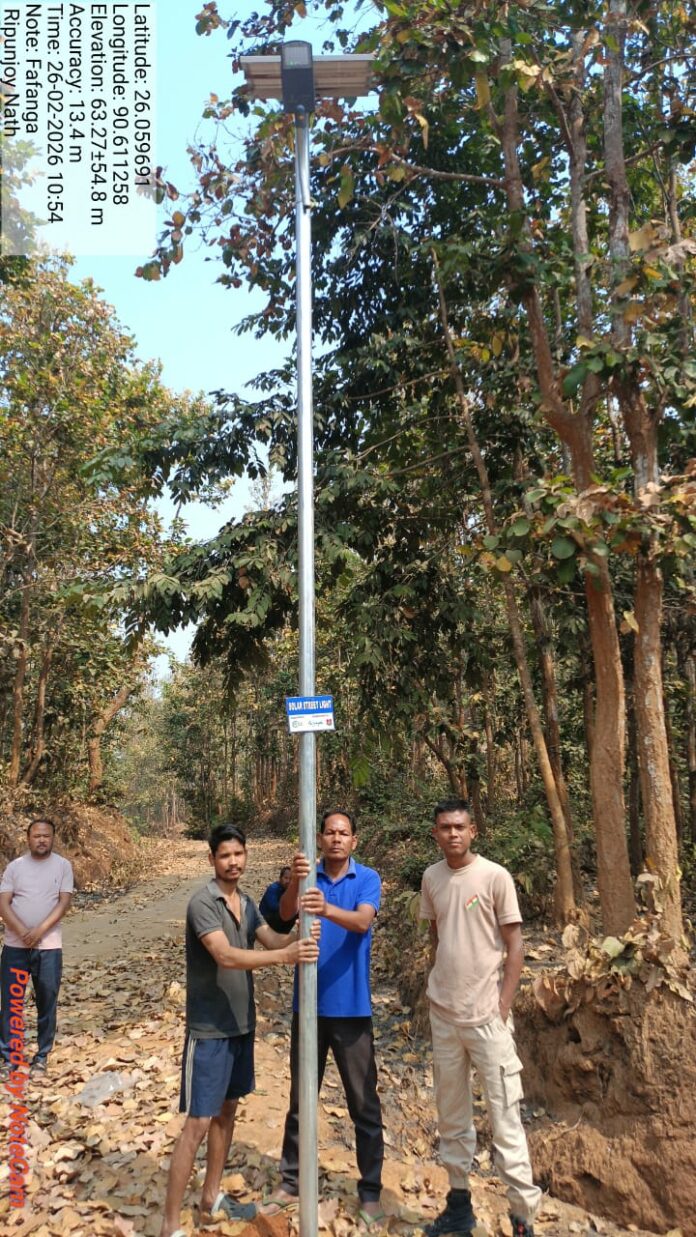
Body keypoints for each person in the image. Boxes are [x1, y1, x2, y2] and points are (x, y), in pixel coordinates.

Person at [160, 823, 319, 1237]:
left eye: (238, 854)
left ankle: (211, 1196)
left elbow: (273, 939)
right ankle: (169, 1224)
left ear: (246, 856)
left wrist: (301, 929)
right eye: (225, 855)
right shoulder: (203, 903)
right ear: (212, 859)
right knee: (197, 1123)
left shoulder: (245, 903)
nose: (233, 862)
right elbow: (226, 956)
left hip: (241, 1025)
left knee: (227, 1112)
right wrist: (286, 956)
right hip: (209, 1030)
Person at [420, 798, 542, 1237]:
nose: (452, 834)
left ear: (473, 831)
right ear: (435, 833)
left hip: (487, 1019)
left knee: (505, 1118)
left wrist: (502, 1006)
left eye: (460, 827)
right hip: (445, 1015)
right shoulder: (431, 878)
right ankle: (459, 1205)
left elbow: (515, 946)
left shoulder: (494, 877)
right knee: (452, 1117)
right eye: (445, 827)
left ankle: (522, 1217)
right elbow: (437, 935)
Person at [262, 808, 384, 1228]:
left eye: (343, 833)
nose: (336, 838)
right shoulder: (308, 875)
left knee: (363, 1104)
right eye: (329, 832)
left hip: (352, 1009)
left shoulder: (366, 878)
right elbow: (285, 914)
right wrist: (299, 880)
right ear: (320, 838)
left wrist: (326, 908)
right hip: (308, 1008)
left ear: (354, 841)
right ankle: (291, 1182)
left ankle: (370, 1192)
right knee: (301, 1100)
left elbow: (363, 921)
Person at [0, 817, 74, 1076]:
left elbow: (64, 903)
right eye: (37, 836)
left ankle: (41, 1056)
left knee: (47, 1001)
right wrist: (22, 932)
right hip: (15, 948)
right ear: (28, 838)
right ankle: (11, 1057)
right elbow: (3, 903)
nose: (42, 840)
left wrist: (39, 931)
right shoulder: (15, 867)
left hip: (49, 947)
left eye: (46, 836)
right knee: (12, 1003)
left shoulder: (63, 866)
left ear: (53, 838)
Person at [259, 866, 297, 934]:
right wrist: (289, 906)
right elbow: (273, 906)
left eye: (290, 879)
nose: (288, 881)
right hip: (266, 919)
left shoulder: (289, 890)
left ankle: (284, 932)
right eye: (286, 878)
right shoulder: (273, 888)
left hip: (278, 918)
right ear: (280, 878)